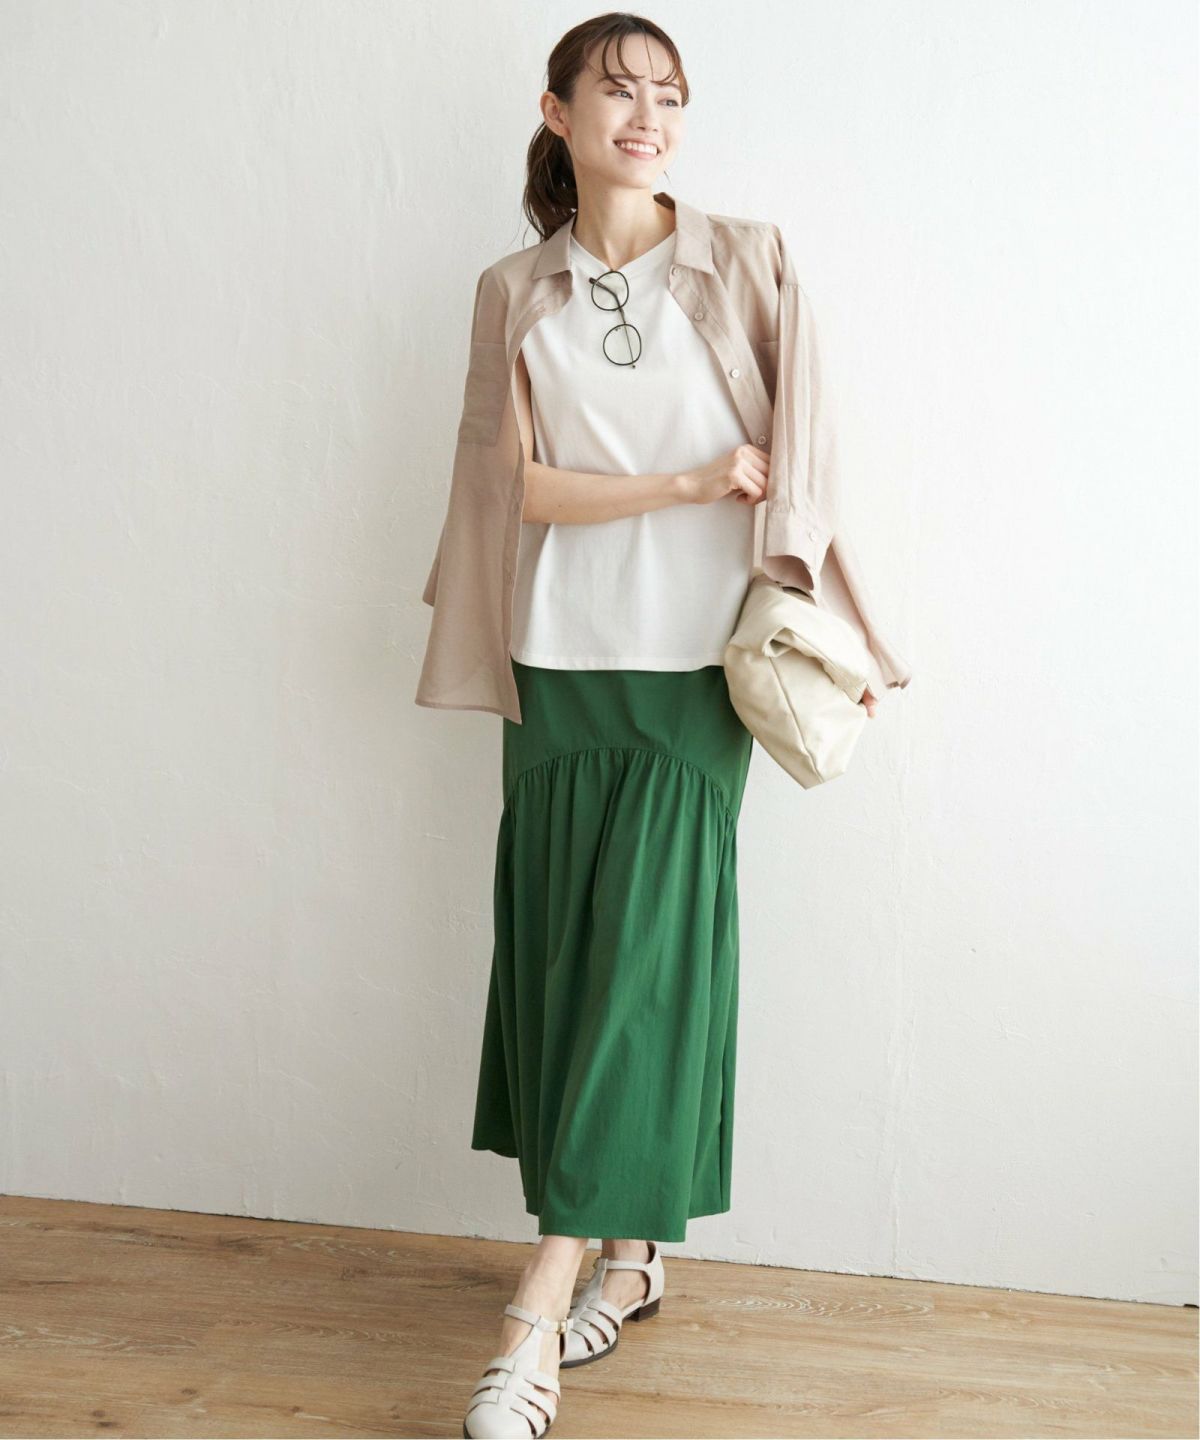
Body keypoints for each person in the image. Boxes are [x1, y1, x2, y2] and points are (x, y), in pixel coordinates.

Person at [424, 15, 906, 1438]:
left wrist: (822, 607)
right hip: (559, 660)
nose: (647, 115)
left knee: (647, 965)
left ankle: (534, 1311)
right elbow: (511, 488)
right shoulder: (515, 290)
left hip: (698, 669)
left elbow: (808, 459)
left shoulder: (748, 260)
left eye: (670, 95)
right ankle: (630, 1260)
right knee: (574, 965)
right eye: (619, 90)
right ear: (557, 112)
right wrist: (687, 483)